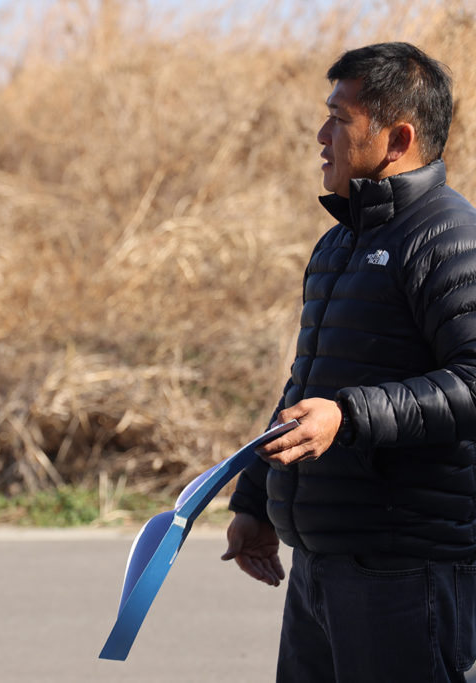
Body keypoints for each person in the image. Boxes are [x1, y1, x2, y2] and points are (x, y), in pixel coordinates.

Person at [222, 42, 476, 682]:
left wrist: (348, 416)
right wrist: (256, 499)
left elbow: (472, 381)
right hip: (320, 562)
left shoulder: (451, 239)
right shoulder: (340, 242)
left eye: (339, 118)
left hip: (405, 569)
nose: (321, 135)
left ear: (398, 138)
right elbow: (309, 383)